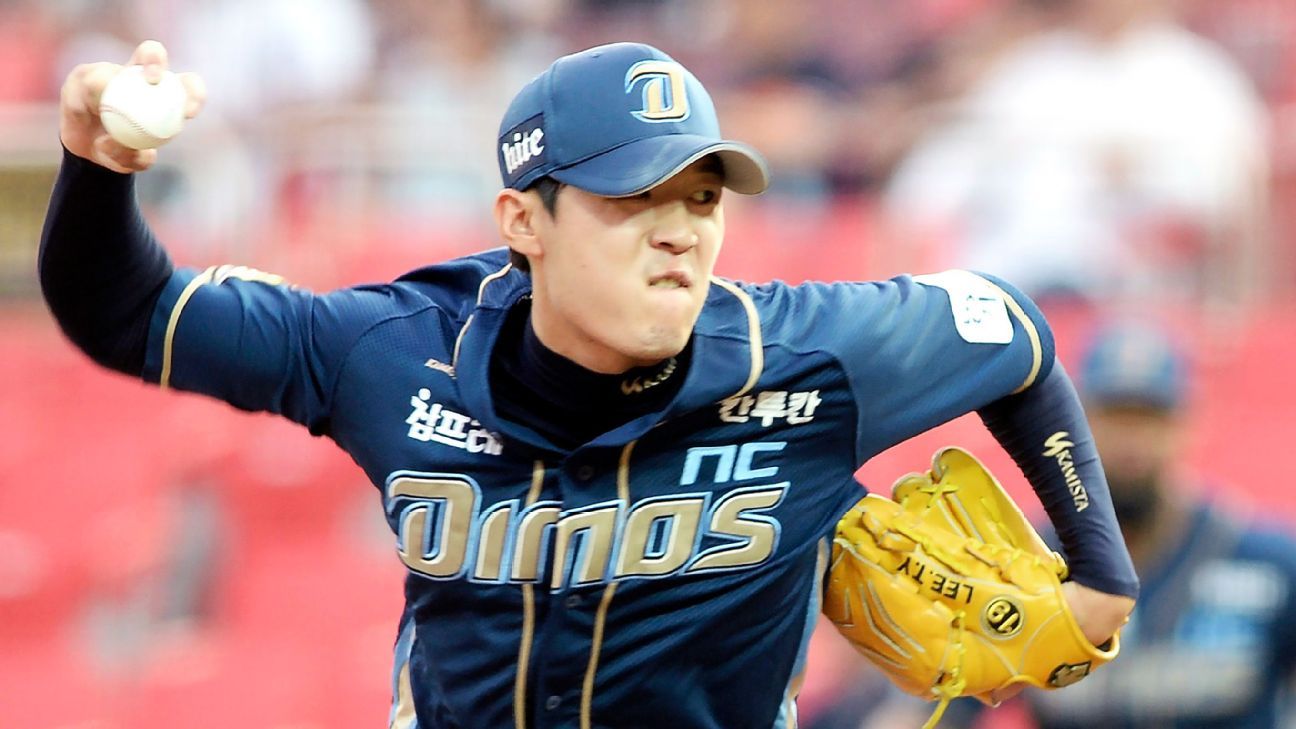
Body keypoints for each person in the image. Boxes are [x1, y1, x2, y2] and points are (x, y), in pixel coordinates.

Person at [41, 40, 1137, 728]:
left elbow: (1012, 329)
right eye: (632, 197)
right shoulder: (391, 352)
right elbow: (128, 312)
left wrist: (1100, 570)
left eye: (704, 199)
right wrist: (99, 167)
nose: (679, 232)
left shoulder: (813, 359)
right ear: (525, 221)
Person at [944, 323, 1296, 728]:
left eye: (1149, 418)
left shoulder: (1269, 562)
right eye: (1114, 417)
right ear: (1070, 425)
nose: (1132, 440)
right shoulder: (1019, 568)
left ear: (1185, 425)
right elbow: (931, 712)